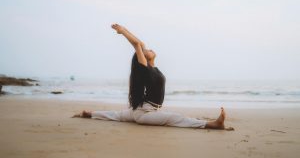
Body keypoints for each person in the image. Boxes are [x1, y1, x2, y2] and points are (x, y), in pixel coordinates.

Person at [73, 24, 227, 129]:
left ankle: (89, 114)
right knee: (175, 118)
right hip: (145, 114)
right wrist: (123, 31)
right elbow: (137, 45)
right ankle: (212, 124)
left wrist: (126, 31)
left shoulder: (153, 68)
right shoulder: (145, 69)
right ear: (143, 58)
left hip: (144, 110)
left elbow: (140, 44)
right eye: (146, 50)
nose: (149, 48)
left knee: (116, 115)